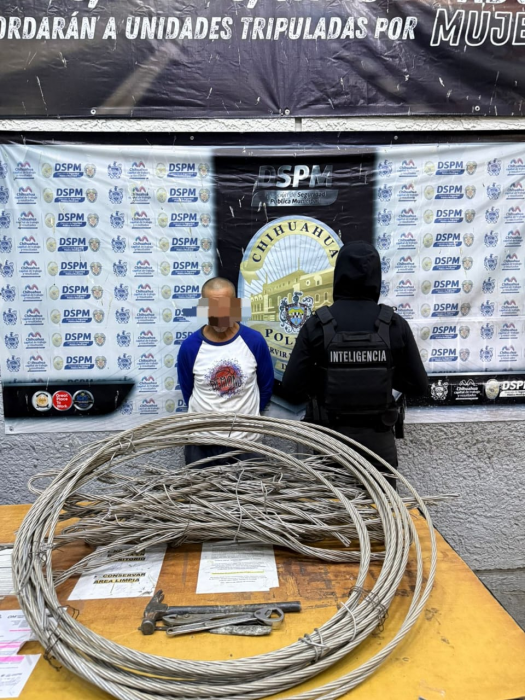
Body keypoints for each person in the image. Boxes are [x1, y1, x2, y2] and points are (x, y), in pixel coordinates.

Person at [279, 240, 428, 481]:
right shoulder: (393, 324)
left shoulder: (318, 325)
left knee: (333, 506)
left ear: (339, 274)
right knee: (383, 506)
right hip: (379, 450)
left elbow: (291, 387)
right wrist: (384, 375)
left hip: (330, 447)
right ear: (376, 276)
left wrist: (326, 378)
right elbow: (419, 386)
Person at [177, 277, 274, 466]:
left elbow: (266, 387)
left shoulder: (254, 341)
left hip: (247, 445)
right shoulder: (190, 347)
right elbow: (188, 391)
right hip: (201, 446)